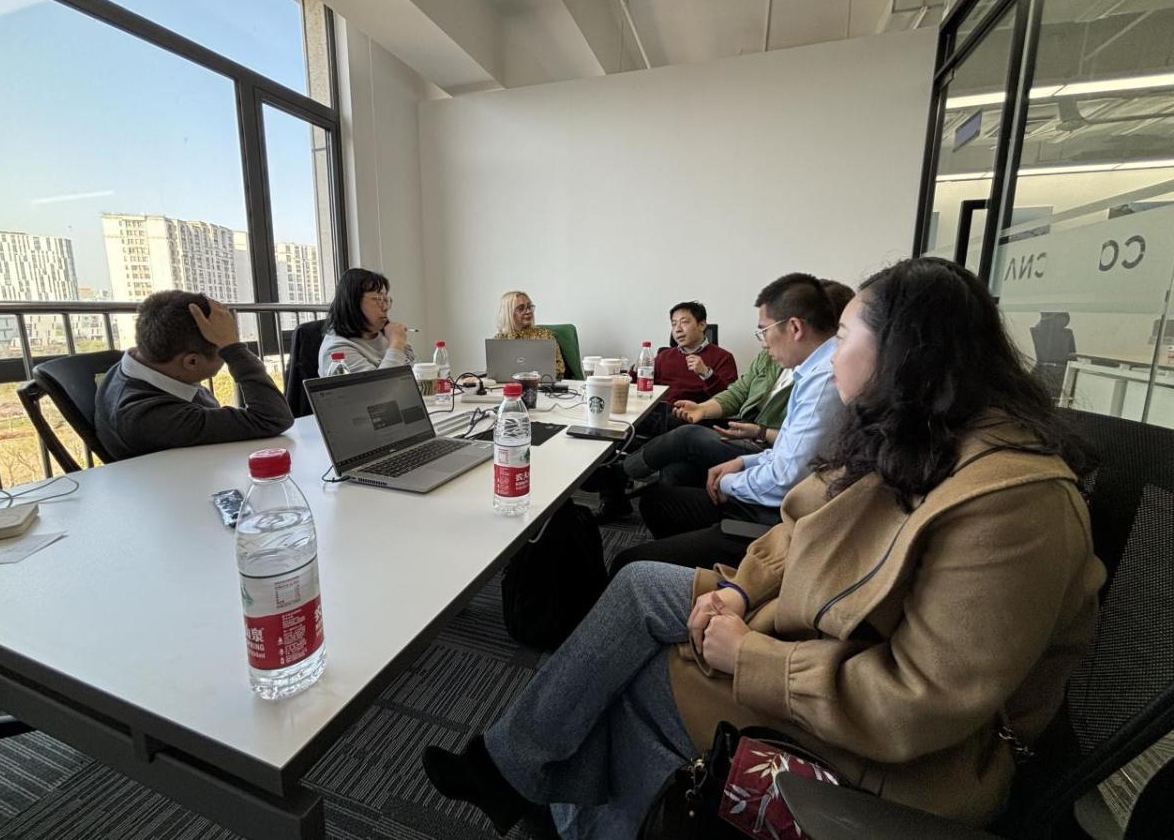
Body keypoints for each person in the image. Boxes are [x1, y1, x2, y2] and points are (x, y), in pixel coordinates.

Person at [422, 256, 1104, 839]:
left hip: (901, 753)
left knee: (645, 674)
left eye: (847, 334)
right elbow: (800, 529)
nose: (832, 352)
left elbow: (917, 705)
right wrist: (742, 589)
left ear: (905, 351)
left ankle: (561, 809)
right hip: (813, 627)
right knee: (635, 588)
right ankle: (512, 772)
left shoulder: (1015, 505)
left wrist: (752, 656)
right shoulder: (916, 433)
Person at [616, 274, 845, 572]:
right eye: (674, 324)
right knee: (663, 487)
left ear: (795, 327)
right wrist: (743, 460)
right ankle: (681, 569)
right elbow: (741, 397)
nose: (762, 342)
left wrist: (731, 478)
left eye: (764, 330)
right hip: (749, 443)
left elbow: (785, 476)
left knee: (686, 438)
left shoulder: (823, 380)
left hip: (776, 513)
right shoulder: (797, 369)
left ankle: (617, 475)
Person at [95, 291, 295, 460]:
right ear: (191, 362)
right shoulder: (149, 417)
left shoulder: (140, 366)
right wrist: (234, 350)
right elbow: (273, 418)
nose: (227, 357)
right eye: (224, 352)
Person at [318, 268, 415, 373]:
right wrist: (397, 343)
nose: (385, 307)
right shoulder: (337, 351)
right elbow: (380, 388)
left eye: (386, 300)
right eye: (378, 299)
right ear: (353, 301)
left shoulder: (386, 335)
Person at [495, 291, 564, 379]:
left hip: (540, 387)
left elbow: (559, 368)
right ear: (508, 313)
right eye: (521, 308)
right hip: (507, 388)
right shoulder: (499, 340)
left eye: (529, 307)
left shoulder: (544, 336)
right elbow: (495, 372)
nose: (528, 311)